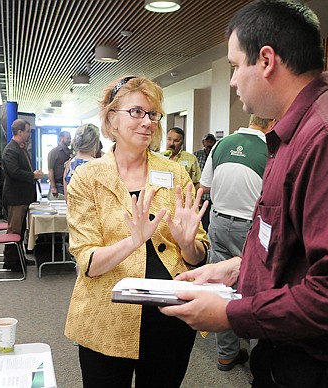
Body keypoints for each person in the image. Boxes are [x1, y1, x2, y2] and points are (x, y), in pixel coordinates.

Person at [161, 2, 328, 387]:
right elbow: (295, 248)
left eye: (234, 66)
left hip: (325, 369)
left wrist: (232, 316)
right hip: (295, 356)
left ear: (265, 61)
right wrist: (234, 270)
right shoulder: (299, 131)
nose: (232, 81)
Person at [64, 75, 210, 387]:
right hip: (107, 317)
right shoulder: (87, 178)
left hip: (169, 317)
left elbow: (198, 253)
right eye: (136, 112)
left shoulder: (174, 172)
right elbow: (87, 262)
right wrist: (133, 240)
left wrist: (188, 245)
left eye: (153, 114)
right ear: (111, 118)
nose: (147, 122)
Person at [200, 115, 272, 371]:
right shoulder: (271, 149)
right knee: (255, 291)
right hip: (252, 229)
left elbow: (205, 185)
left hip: (218, 223)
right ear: (272, 122)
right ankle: (257, 367)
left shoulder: (221, 145)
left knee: (223, 288)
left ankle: (226, 355)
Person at [2, 119, 43, 271]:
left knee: (20, 229)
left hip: (22, 197)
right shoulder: (11, 150)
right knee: (14, 230)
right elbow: (14, 172)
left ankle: (19, 258)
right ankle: (11, 262)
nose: (28, 134)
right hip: (15, 198)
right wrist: (32, 176)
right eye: (27, 131)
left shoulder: (20, 148)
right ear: (19, 132)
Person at [62, 123, 100, 199]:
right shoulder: (97, 166)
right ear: (95, 142)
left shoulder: (69, 165)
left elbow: (67, 199)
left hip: (73, 210)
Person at [194, 133, 216, 231]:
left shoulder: (216, 156)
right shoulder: (196, 155)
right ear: (203, 143)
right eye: (207, 141)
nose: (209, 144)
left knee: (208, 223)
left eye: (211, 141)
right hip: (199, 195)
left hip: (211, 196)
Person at [47, 130, 71, 198]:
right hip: (58, 185)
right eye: (68, 138)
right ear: (61, 138)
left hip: (69, 184)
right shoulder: (54, 152)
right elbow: (50, 170)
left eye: (70, 138)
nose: (69, 140)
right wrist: (53, 187)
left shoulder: (70, 152)